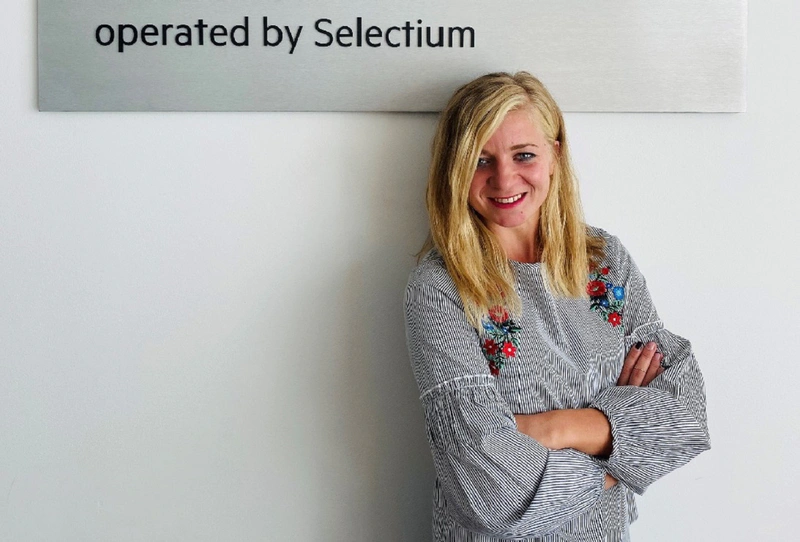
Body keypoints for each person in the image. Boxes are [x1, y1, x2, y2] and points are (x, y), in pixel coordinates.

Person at [404, 72, 710, 541]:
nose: (504, 178)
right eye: (481, 160)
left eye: (523, 155)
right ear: (454, 167)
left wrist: (553, 428)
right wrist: (619, 460)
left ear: (555, 154)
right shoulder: (440, 287)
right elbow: (487, 485)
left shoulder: (604, 261)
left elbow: (685, 415)